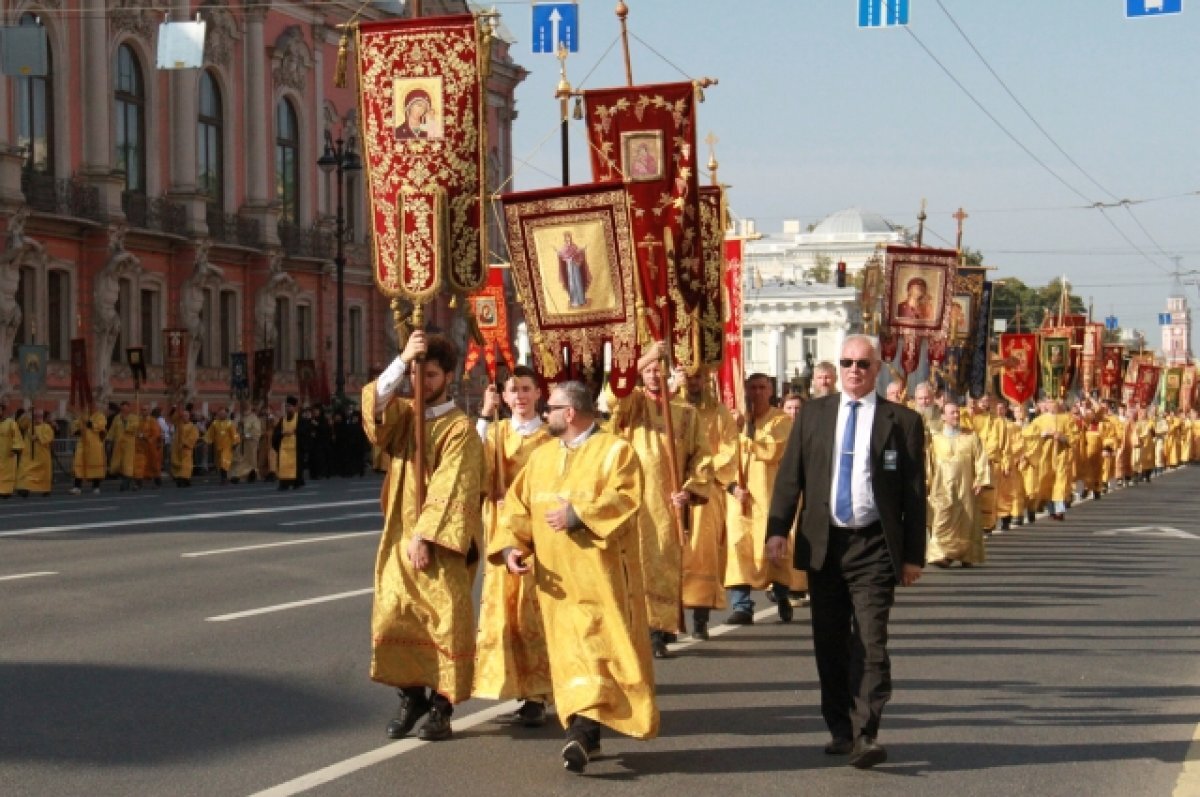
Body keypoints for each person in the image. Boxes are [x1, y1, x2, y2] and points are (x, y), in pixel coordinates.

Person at [766, 334, 926, 770]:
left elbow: (914, 493)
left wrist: (913, 556)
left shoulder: (902, 422)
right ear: (838, 368)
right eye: (847, 363)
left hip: (873, 545)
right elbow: (789, 478)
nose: (854, 370)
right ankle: (839, 727)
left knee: (871, 642)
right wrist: (777, 529)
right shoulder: (815, 415)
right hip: (826, 544)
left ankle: (866, 731)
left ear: (877, 370)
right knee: (830, 642)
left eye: (863, 364)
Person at [494, 381, 659, 774]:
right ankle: (587, 735)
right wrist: (512, 546)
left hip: (599, 580)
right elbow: (519, 506)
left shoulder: (615, 451)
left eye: (550, 407)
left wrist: (579, 513)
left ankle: (582, 734)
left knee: (596, 654)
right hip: (555, 584)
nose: (544, 412)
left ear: (569, 413)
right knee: (570, 660)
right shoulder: (542, 457)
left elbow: (628, 498)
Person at [362, 331, 484, 742]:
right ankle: (411, 694)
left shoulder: (460, 428)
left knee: (444, 620)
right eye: (417, 375)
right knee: (396, 613)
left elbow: (455, 486)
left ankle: (441, 707)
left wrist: (426, 537)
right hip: (399, 532)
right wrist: (401, 361)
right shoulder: (403, 415)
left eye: (430, 375)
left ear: (447, 377)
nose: (422, 383)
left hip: (439, 541)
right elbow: (373, 409)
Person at [604, 340, 704, 659]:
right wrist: (647, 355)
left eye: (657, 368)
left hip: (666, 500)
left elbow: (701, 458)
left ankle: (658, 629)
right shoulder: (632, 404)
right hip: (631, 499)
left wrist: (688, 489)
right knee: (632, 564)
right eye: (646, 369)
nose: (652, 373)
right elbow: (612, 396)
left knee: (662, 560)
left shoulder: (686, 414)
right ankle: (638, 628)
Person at [473, 367, 553, 727]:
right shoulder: (496, 433)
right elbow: (473, 466)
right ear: (503, 397)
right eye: (512, 390)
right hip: (500, 532)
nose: (519, 396)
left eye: (525, 389)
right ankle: (514, 684)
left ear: (538, 394)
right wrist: (482, 416)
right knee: (505, 610)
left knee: (533, 610)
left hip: (536, 533)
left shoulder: (550, 436)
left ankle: (538, 692)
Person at [724, 373, 801, 624]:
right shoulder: (732, 421)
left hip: (768, 495)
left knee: (772, 548)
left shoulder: (781, 420)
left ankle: (780, 593)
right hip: (740, 498)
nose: (756, 393)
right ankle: (742, 605)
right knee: (738, 544)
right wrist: (732, 486)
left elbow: (771, 450)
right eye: (752, 388)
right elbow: (722, 455)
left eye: (761, 388)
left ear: (770, 391)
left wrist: (747, 430)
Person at [676, 366, 738, 640]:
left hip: (705, 493)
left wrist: (702, 470)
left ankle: (700, 617)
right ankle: (666, 622)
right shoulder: (672, 408)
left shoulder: (719, 413)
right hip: (672, 491)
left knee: (703, 553)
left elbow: (730, 451)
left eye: (697, 377)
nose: (693, 382)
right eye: (688, 377)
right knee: (667, 555)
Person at [926, 402, 990, 567]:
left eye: (957, 412)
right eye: (952, 413)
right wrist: (926, 483)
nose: (956, 415)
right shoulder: (936, 440)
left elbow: (981, 459)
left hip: (965, 486)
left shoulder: (971, 437)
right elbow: (928, 464)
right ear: (943, 417)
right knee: (941, 519)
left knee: (965, 520)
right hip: (942, 488)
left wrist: (980, 480)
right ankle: (940, 554)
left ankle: (965, 554)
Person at [15, 408, 53, 497]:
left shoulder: (47, 427)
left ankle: (44, 489)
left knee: (42, 473)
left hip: (42, 456)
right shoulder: (29, 425)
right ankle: (24, 488)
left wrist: (38, 437)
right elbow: (20, 423)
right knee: (25, 471)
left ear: (42, 417)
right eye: (35, 416)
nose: (37, 418)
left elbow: (49, 438)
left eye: (39, 416)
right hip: (28, 455)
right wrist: (28, 412)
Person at [70, 406, 108, 494]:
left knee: (95, 465)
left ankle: (96, 486)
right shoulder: (83, 416)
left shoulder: (100, 416)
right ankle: (77, 487)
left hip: (95, 445)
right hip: (82, 444)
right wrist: (78, 430)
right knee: (79, 464)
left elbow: (100, 427)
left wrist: (87, 422)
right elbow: (75, 428)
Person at [272, 396, 307, 490]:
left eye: (290, 406)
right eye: (286, 406)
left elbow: (304, 431)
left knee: (296, 466)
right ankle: (284, 483)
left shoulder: (300, 419)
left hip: (296, 448)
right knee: (283, 466)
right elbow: (276, 432)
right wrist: (282, 433)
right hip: (284, 448)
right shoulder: (282, 420)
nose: (288, 408)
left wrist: (295, 432)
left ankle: (296, 482)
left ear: (295, 407)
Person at [204, 407, 240, 485]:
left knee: (225, 462)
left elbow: (234, 434)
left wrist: (235, 443)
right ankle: (224, 477)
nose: (222, 415)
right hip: (217, 447)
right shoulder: (215, 423)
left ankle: (224, 478)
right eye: (220, 413)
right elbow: (210, 434)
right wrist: (207, 443)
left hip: (227, 447)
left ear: (226, 414)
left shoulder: (229, 423)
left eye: (224, 413)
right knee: (219, 463)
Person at [556, 231, 591, 309]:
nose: (569, 240)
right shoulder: (564, 248)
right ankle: (574, 301)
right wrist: (560, 254)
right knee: (572, 283)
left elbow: (578, 253)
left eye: (569, 238)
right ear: (565, 239)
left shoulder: (574, 246)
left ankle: (581, 300)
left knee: (578, 281)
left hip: (576, 266)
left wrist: (582, 250)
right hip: (569, 267)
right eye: (567, 238)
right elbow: (562, 255)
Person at [231, 402, 262, 484]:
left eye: (247, 406)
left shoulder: (254, 418)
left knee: (250, 461)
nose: (245, 407)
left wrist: (246, 435)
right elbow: (233, 428)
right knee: (238, 459)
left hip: (250, 444)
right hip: (240, 443)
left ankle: (250, 474)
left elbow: (256, 432)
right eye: (244, 406)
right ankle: (237, 475)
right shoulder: (239, 417)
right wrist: (237, 425)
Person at [0, 401, 26, 498]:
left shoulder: (11, 423)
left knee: (7, 474)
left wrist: (15, 448)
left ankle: (6, 491)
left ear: (2, 411)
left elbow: (17, 436)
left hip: (8, 454)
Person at [170, 408, 200, 487]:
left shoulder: (192, 426)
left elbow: (194, 436)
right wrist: (177, 408)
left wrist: (186, 443)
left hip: (186, 449)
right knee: (177, 463)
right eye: (183, 416)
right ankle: (180, 478)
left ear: (189, 417)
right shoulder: (179, 425)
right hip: (177, 449)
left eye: (186, 415)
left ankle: (184, 478)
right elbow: (173, 418)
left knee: (186, 464)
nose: (184, 417)